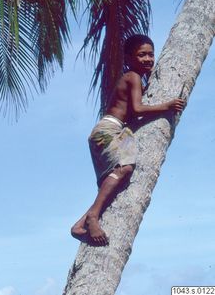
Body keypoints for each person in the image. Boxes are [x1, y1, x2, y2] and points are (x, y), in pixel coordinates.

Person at [71, 34, 185, 246]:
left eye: (151, 54)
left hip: (115, 132)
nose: (148, 59)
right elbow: (138, 109)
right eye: (141, 55)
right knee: (125, 168)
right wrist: (167, 106)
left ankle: (80, 224)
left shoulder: (136, 79)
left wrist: (152, 75)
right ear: (129, 58)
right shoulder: (132, 76)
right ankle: (93, 217)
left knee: (113, 182)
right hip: (109, 129)